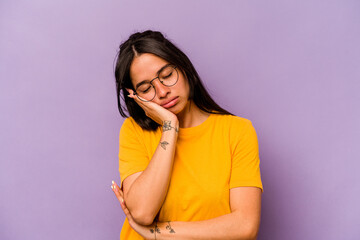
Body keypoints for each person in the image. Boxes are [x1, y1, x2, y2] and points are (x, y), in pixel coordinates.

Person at [111, 30, 263, 240]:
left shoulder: (237, 131)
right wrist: (170, 127)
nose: (162, 91)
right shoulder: (133, 131)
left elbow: (245, 226)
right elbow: (143, 212)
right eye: (146, 88)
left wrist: (157, 233)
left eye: (167, 76)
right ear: (135, 97)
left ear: (183, 69)